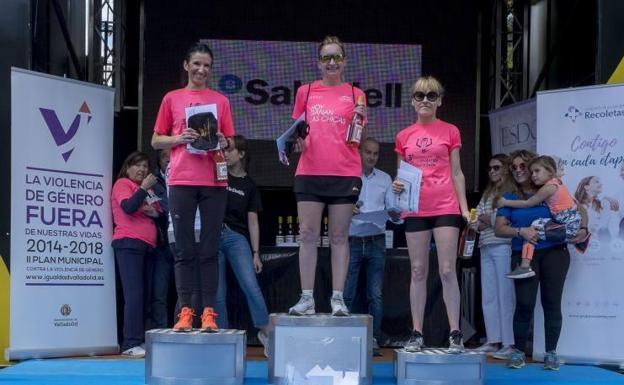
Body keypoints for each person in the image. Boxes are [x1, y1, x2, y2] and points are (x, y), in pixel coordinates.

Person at [152, 41, 234, 332]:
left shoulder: (221, 101)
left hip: (213, 181)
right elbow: (155, 140)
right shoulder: (171, 98)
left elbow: (230, 142)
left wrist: (225, 142)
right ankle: (185, 312)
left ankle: (209, 313)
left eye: (207, 66)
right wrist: (178, 139)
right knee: (184, 250)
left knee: (210, 249)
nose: (201, 70)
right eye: (196, 64)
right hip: (182, 180)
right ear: (186, 65)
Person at [287, 36, 367, 317]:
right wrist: (297, 143)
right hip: (309, 171)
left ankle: (337, 298)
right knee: (307, 235)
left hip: (344, 172)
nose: (331, 62)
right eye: (326, 58)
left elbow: (357, 135)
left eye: (336, 57)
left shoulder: (356, 93)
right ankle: (307, 298)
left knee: (339, 236)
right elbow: (299, 132)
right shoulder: (305, 92)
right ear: (318, 62)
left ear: (344, 61)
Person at [392, 76, 470, 353]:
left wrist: (463, 209)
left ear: (440, 100)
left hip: (446, 205)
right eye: (420, 95)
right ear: (412, 101)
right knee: (417, 270)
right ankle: (416, 332)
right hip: (415, 208)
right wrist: (397, 186)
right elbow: (400, 177)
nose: (425, 99)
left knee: (447, 270)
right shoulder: (403, 136)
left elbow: (457, 172)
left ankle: (455, 333)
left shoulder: (451, 131)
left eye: (431, 95)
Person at [494, 149, 589, 370]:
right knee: (525, 303)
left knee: (552, 303)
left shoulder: (552, 189)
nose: (518, 170)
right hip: (523, 253)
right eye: (513, 167)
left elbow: (581, 209)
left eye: (522, 166)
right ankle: (518, 352)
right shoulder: (509, 197)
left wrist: (583, 229)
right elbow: (499, 229)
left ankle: (551, 353)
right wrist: (521, 232)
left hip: (555, 253)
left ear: (534, 167)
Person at [214, 135, 270, 356]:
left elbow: (253, 220)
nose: (226, 154)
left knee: (250, 286)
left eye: (230, 150)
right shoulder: (219, 174)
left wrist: (256, 253)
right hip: (213, 234)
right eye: (224, 150)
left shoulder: (249, 185)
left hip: (236, 237)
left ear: (241, 154)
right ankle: (224, 338)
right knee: (218, 293)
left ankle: (266, 332)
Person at [343, 137, 400, 356]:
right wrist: (348, 208)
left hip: (376, 239)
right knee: (346, 293)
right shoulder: (348, 175)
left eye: (375, 153)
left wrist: (395, 211)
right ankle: (344, 338)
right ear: (359, 152)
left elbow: (392, 209)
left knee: (374, 294)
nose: (371, 157)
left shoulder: (386, 179)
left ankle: (374, 340)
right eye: (368, 152)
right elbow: (336, 205)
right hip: (353, 238)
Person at [499, 155, 587, 279]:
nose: (533, 175)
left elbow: (528, 203)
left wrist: (505, 202)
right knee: (535, 226)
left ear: (550, 171)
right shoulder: (558, 183)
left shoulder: (549, 188)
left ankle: (525, 267)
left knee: (532, 228)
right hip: (569, 223)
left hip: (567, 225)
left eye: (537, 171)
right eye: (532, 172)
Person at [111, 151, 163, 357]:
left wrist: (154, 210)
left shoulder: (148, 190)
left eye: (145, 166)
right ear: (127, 167)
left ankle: (139, 340)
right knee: (134, 295)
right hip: (129, 243)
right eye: (137, 165)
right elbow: (129, 206)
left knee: (145, 296)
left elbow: (158, 211)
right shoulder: (123, 184)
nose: (141, 169)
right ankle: (130, 343)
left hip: (148, 246)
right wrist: (142, 189)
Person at [472, 154, 515, 356]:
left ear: (506, 168)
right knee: (488, 295)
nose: (492, 171)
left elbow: (505, 219)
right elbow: (474, 216)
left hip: (503, 245)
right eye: (490, 168)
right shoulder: (488, 192)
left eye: (496, 167)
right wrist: (485, 219)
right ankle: (493, 339)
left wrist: (487, 219)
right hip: (485, 245)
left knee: (504, 294)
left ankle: (508, 342)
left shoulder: (512, 191)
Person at [148, 148, 174, 328]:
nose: (168, 159)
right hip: (161, 243)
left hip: (182, 242)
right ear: (158, 161)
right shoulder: (151, 182)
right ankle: (161, 333)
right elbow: (155, 208)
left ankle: (184, 332)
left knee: (185, 292)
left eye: (171, 155)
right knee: (159, 294)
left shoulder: (184, 178)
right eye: (164, 156)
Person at [574, 176, 619, 240]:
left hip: (600, 243)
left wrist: (607, 199)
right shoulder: (576, 206)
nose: (601, 184)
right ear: (586, 187)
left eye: (600, 182)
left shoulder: (602, 204)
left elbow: (613, 229)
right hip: (584, 243)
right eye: (597, 182)